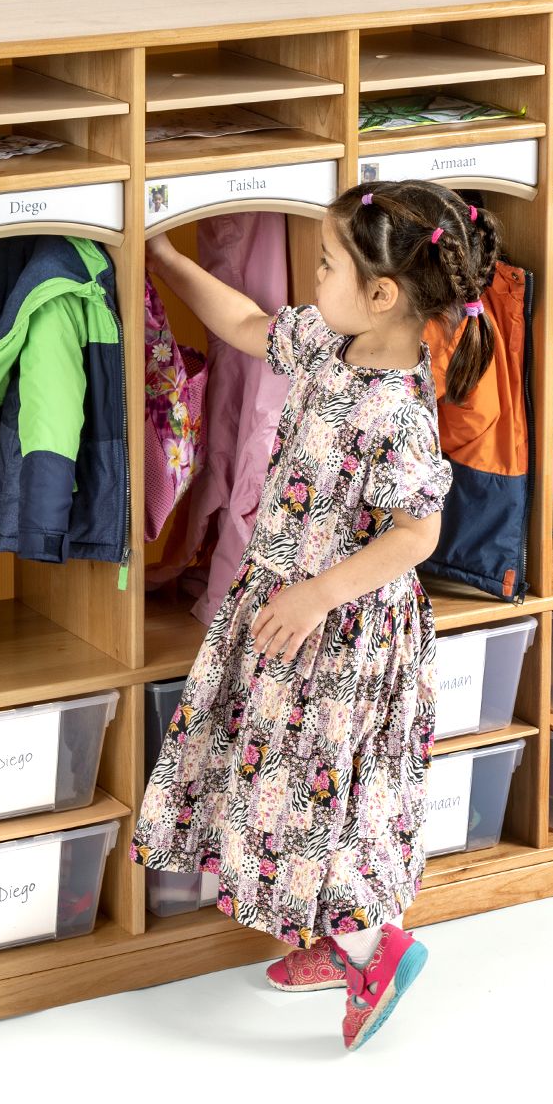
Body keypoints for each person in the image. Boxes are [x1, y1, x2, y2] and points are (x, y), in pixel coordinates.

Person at [128, 179, 501, 1051]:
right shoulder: (327, 343)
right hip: (288, 611)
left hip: (342, 634)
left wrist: (317, 592)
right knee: (281, 784)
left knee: (325, 803)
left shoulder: (400, 412)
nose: (313, 273)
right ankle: (336, 938)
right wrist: (168, 261)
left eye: (328, 263)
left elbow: (418, 533)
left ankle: (376, 948)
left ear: (382, 296)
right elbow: (246, 324)